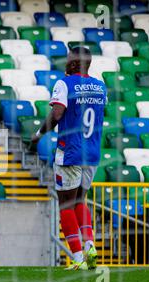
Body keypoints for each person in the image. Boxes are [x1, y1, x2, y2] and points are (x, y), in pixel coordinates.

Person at [31, 46, 107, 270]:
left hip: (71, 152)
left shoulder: (64, 84)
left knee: (65, 205)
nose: (66, 62)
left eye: (68, 59)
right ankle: (90, 245)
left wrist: (38, 134)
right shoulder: (101, 86)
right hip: (92, 153)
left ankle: (77, 258)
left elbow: (57, 114)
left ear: (74, 62)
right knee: (80, 201)